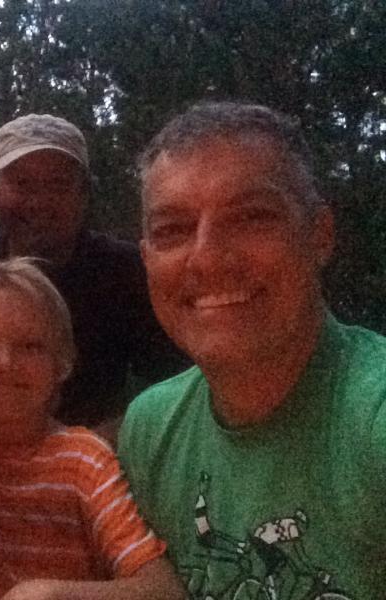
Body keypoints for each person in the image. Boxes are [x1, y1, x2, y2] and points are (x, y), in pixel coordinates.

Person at [117, 102, 385, 599]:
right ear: (147, 258)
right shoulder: (151, 428)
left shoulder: (372, 420)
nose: (207, 257)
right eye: (172, 229)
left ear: (319, 235)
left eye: (251, 218)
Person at [0, 259, 184, 600]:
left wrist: (53, 594)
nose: (5, 363)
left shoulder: (83, 461)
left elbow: (163, 589)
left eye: (30, 346)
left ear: (63, 361)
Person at [0, 113, 185, 433]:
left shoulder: (127, 272)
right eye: (22, 183)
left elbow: (178, 385)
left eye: (58, 184)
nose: (39, 201)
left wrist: (83, 447)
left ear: (83, 193)